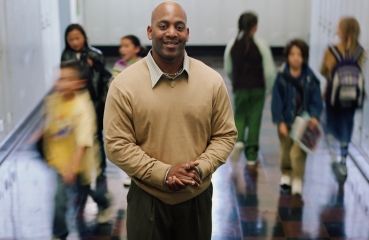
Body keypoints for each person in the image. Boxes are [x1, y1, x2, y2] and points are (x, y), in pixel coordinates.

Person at [104, 1, 237, 239]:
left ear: (187, 33)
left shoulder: (211, 81)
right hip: (147, 199)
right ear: (150, 31)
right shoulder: (124, 85)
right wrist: (164, 174)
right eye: (163, 25)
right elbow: (117, 145)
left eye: (179, 26)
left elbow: (225, 135)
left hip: (197, 197)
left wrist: (199, 170)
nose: (171, 33)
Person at [42, 61, 113, 240]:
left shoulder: (83, 108)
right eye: (60, 78)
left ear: (79, 83)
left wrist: (73, 167)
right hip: (61, 162)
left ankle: (105, 203)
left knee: (90, 190)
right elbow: (51, 123)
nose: (61, 83)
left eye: (67, 79)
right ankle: (59, 234)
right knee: (60, 200)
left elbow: (84, 142)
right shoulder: (54, 100)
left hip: (81, 162)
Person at [271, 39, 323, 195]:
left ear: (304, 57)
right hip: (286, 121)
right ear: (287, 56)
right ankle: (286, 173)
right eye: (292, 54)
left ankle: (298, 177)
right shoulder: (281, 77)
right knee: (286, 149)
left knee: (299, 151)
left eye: (299, 54)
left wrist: (314, 116)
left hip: (304, 121)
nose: (295, 58)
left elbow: (316, 98)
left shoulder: (310, 77)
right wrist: (279, 121)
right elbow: (276, 101)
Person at [224, 12, 275, 166]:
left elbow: (228, 69)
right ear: (255, 27)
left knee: (239, 115)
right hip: (257, 88)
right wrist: (271, 89)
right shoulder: (261, 45)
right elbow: (269, 71)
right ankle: (252, 156)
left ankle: (239, 140)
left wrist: (236, 81)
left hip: (240, 87)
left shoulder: (232, 45)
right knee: (254, 119)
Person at [61, 24, 111, 180]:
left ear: (84, 37)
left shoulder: (95, 55)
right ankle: (79, 168)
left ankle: (100, 170)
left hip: (94, 100)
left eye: (78, 38)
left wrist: (104, 99)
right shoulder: (66, 55)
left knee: (96, 135)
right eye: (71, 39)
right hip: (75, 101)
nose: (75, 42)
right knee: (75, 136)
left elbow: (104, 78)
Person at [320, 17, 365, 176]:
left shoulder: (331, 51)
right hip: (351, 100)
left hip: (333, 98)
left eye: (339, 26)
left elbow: (323, 71)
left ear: (343, 31)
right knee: (347, 126)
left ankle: (333, 155)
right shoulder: (360, 52)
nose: (336, 28)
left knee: (329, 125)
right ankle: (343, 160)